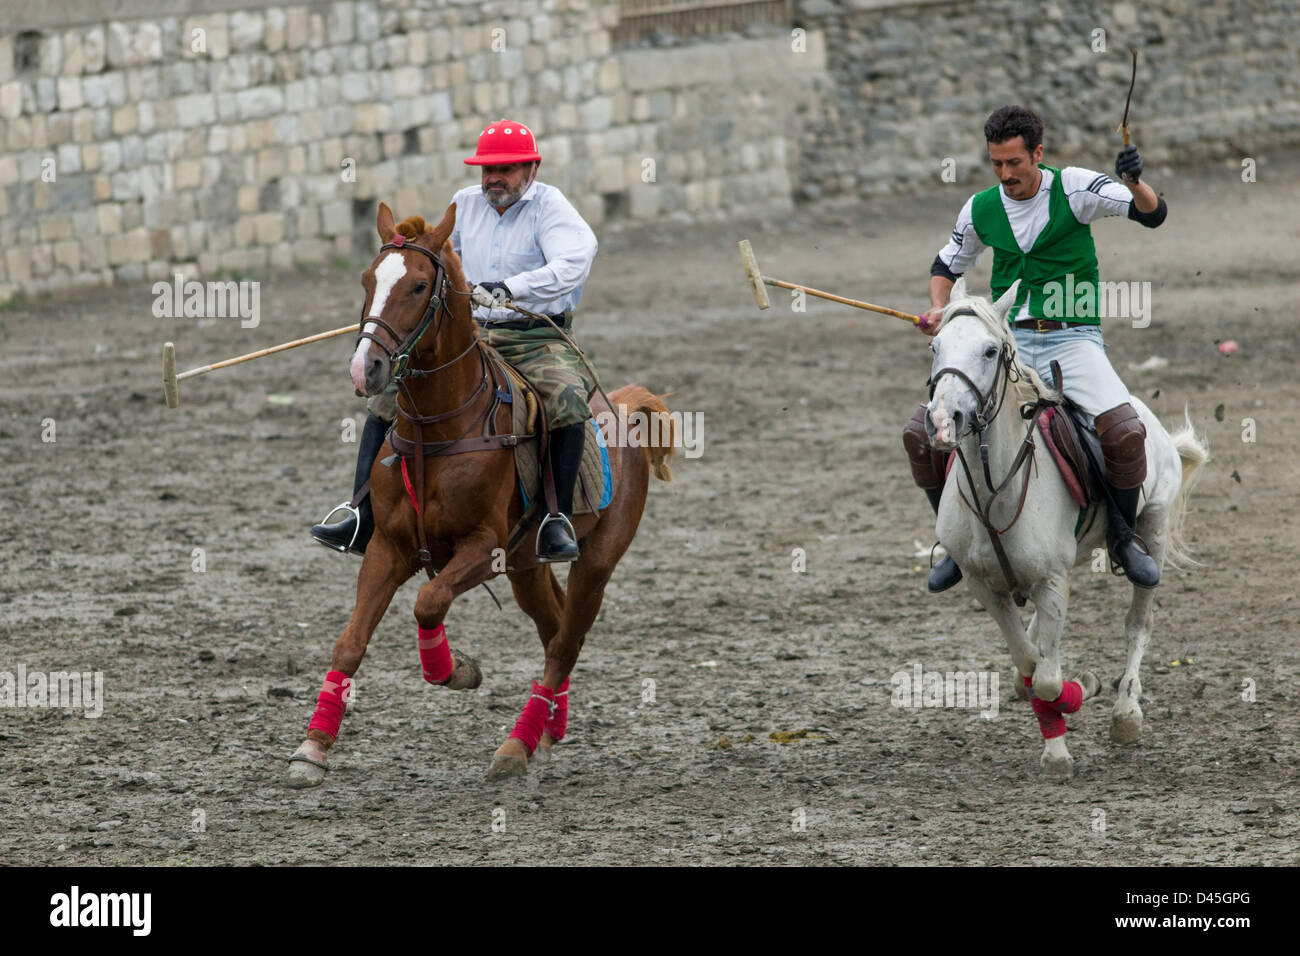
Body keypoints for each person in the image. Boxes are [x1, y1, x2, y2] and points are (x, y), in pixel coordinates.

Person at [904, 104, 1168, 592]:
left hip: (1073, 341)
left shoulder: (1074, 187)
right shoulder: (980, 208)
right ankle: (955, 545)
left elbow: (1151, 215)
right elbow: (945, 266)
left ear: (1037, 154)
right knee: (924, 431)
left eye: (1015, 164)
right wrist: (939, 310)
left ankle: (1124, 538)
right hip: (1010, 345)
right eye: (996, 164)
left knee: (1123, 429)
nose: (1005, 175)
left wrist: (1135, 182)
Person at [311, 118, 599, 563]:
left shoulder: (551, 209)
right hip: (474, 336)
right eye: (487, 170)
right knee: (387, 395)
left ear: (531, 170)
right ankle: (360, 512)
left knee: (565, 395)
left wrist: (509, 288)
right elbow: (434, 256)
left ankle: (555, 521)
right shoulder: (464, 204)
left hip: (537, 336)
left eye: (504, 170)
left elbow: (573, 263)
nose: (493, 179)